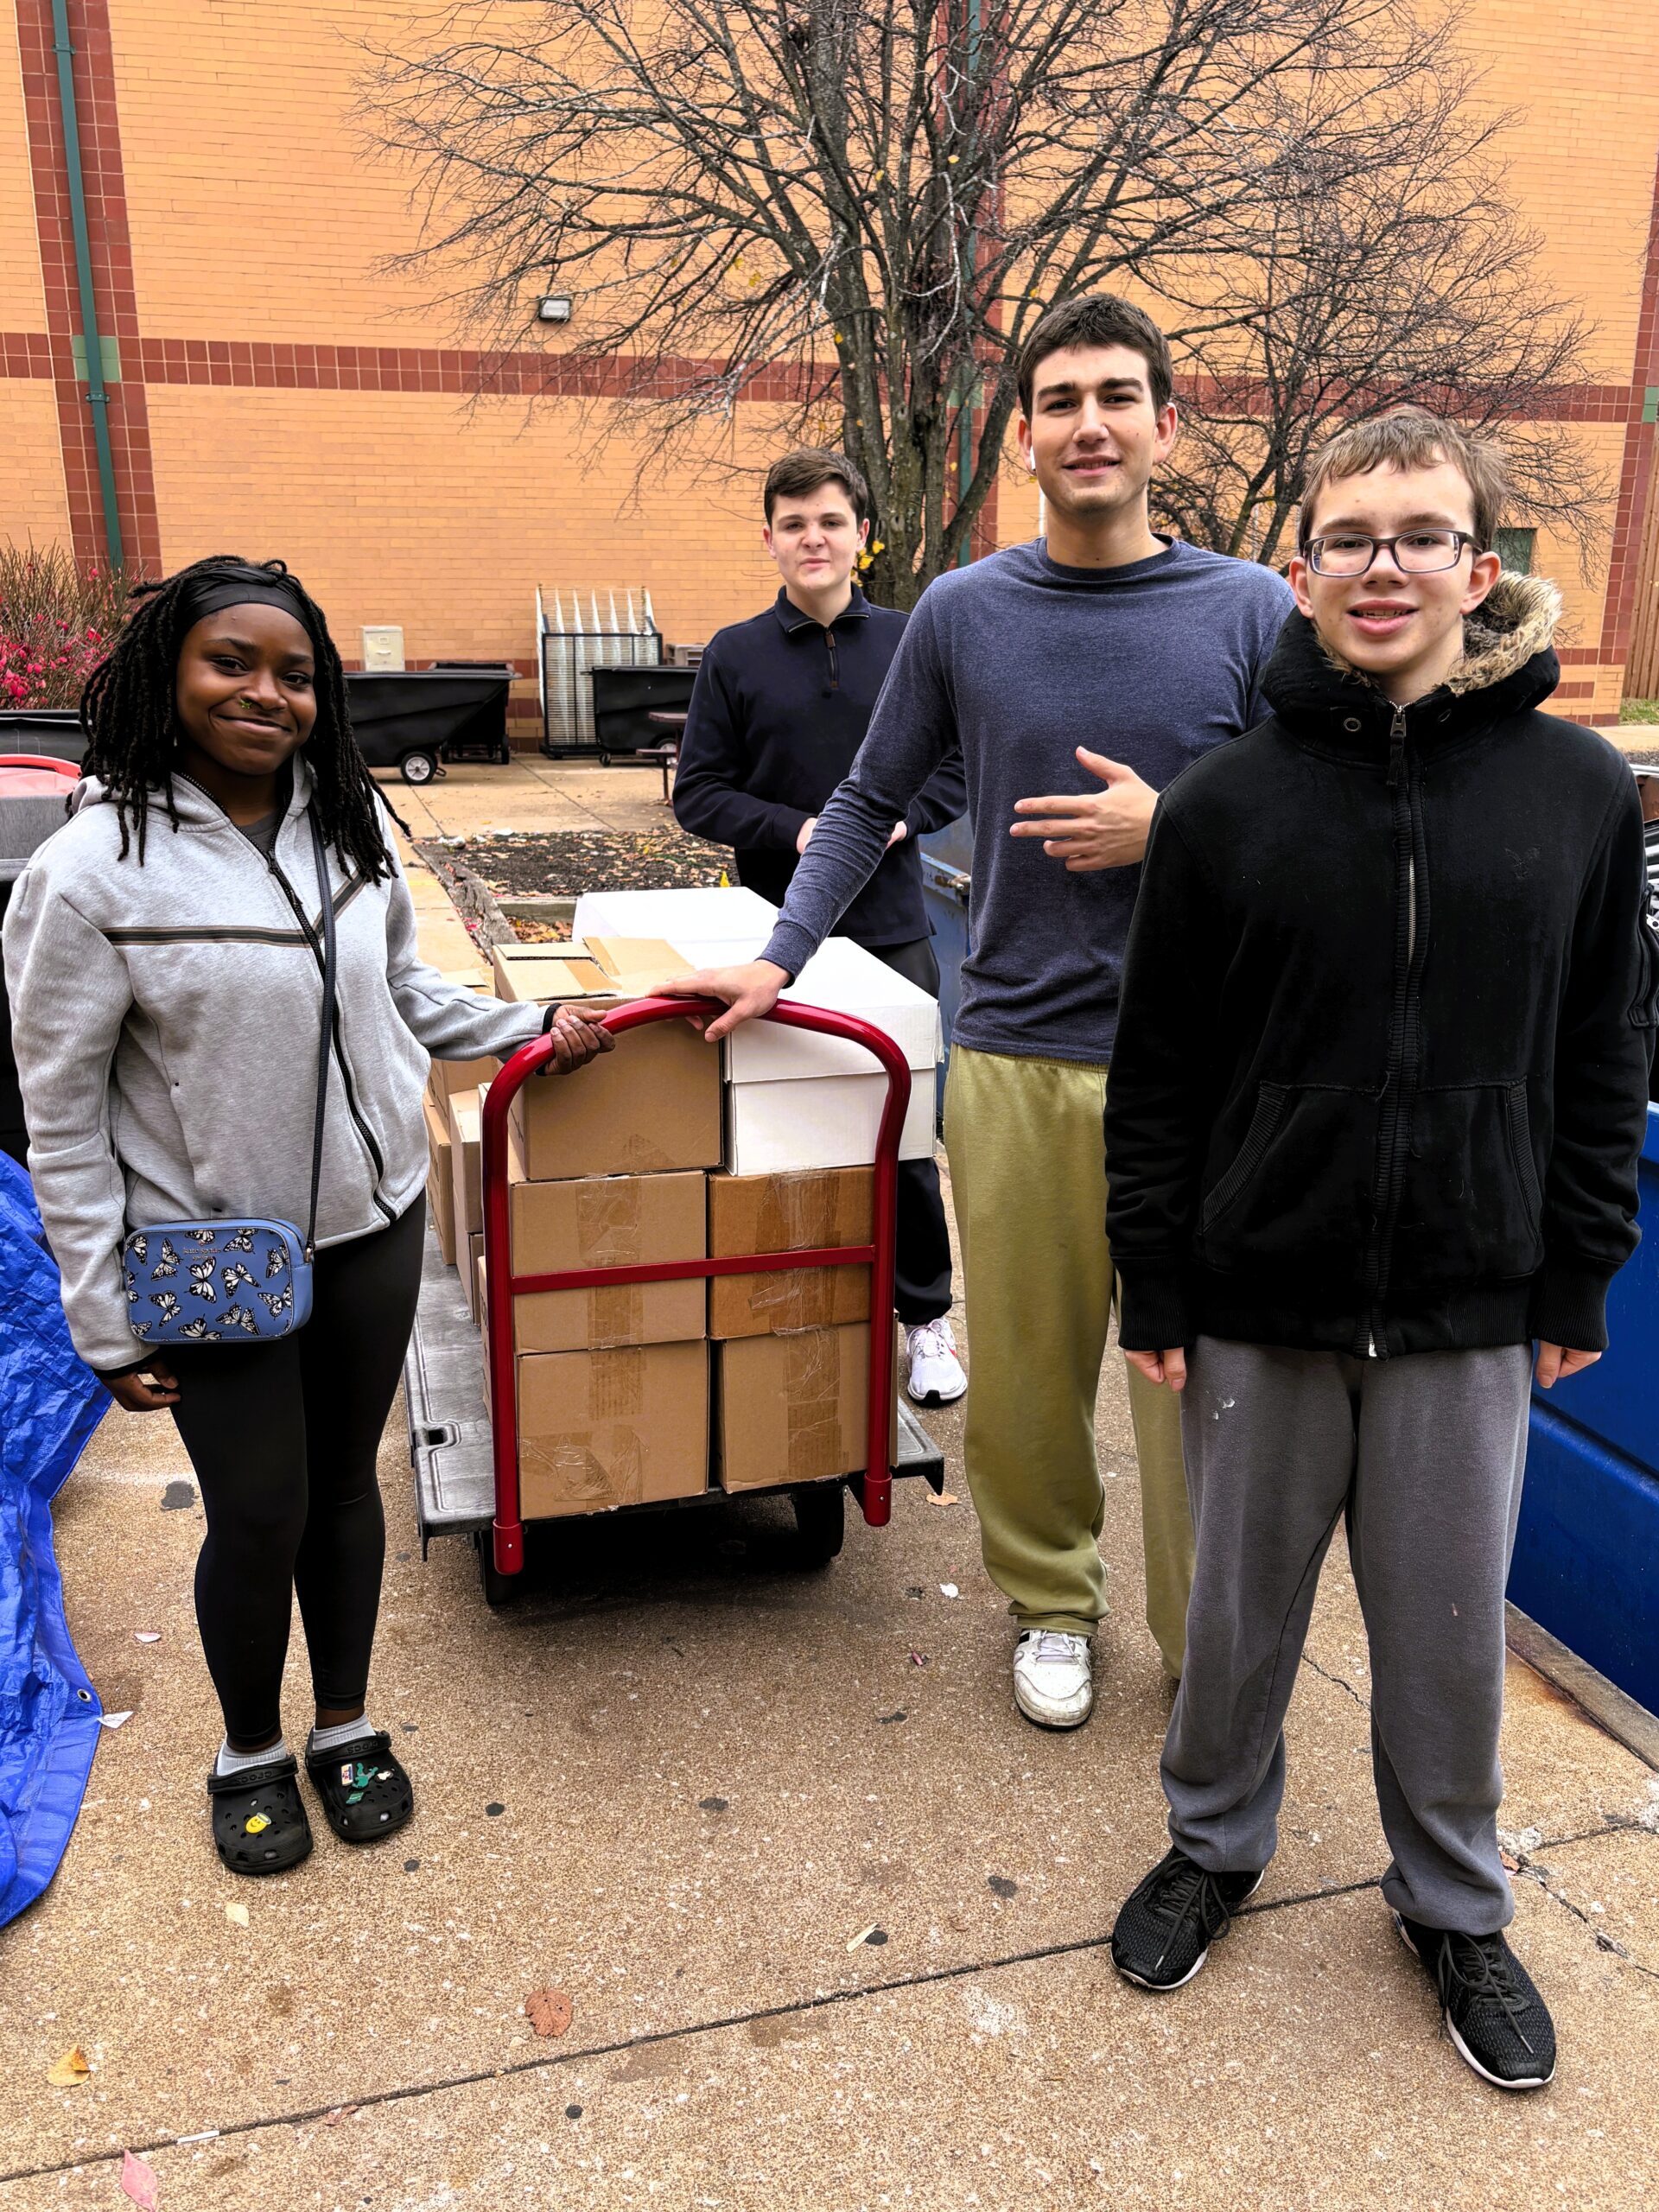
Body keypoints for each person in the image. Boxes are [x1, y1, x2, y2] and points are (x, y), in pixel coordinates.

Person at [1101, 409, 1654, 2090]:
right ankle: (1215, 1839)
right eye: (1352, 535)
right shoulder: (1223, 803)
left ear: (1483, 569)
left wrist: (1574, 1272)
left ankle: (1454, 1900)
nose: (1386, 564)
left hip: (1465, 1303)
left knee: (1439, 1632)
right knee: (1239, 1611)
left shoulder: (1574, 790)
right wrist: (1158, 1273)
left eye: (1422, 533)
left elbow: (1603, 1044)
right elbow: (1163, 1070)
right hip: (1260, 1292)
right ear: (1301, 571)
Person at [662, 296, 1294, 1728]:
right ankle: (1051, 1603)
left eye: (1118, 396)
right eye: (1061, 398)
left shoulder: (1250, 611)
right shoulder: (965, 613)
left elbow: (1325, 817)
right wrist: (780, 955)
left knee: (1206, 1380)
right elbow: (869, 799)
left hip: (1208, 1061)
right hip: (1013, 1046)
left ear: (1165, 425)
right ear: (1024, 435)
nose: (1089, 423)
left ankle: (1207, 1636)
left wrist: (1178, 826)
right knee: (1028, 1365)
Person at [3, 556, 611, 1878]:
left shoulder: (349, 825)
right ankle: (247, 1748)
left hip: (373, 1225)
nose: (265, 693)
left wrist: (531, 1029)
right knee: (260, 1511)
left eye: (294, 673)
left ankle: (345, 1721)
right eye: (233, 661)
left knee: (345, 1491)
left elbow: (403, 996)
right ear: (170, 668)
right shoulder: (94, 870)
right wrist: (96, 1314)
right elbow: (59, 1114)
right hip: (209, 1252)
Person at [672, 448, 969, 1403]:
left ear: (863, 538)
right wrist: (798, 829)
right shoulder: (734, 654)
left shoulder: (912, 644)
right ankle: (789, 1306)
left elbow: (960, 767)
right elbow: (700, 795)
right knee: (778, 1133)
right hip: (771, 943)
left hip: (891, 929)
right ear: (770, 540)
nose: (814, 538)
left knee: (906, 1134)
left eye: (831, 521)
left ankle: (925, 1320)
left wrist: (902, 814)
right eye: (794, 523)